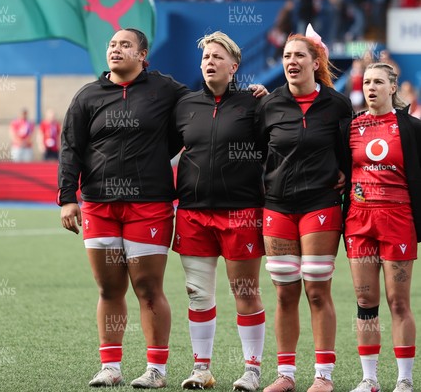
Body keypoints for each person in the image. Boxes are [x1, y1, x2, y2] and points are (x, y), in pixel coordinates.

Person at [59, 28, 190, 388]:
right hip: (99, 205)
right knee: (108, 289)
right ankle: (111, 366)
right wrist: (68, 197)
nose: (116, 50)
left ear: (143, 55)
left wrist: (249, 94)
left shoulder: (165, 90)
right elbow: (71, 147)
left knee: (148, 288)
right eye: (112, 45)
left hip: (149, 204)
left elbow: (204, 105)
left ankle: (156, 370)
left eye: (125, 45)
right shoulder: (87, 96)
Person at [256, 25, 352, 392]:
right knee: (284, 292)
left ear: (316, 62)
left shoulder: (337, 104)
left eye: (299, 55)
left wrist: (343, 171)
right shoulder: (269, 105)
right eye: (286, 57)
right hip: (277, 207)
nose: (291, 62)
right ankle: (286, 375)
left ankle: (323, 377)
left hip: (320, 205)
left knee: (316, 289)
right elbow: (255, 152)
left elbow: (348, 152)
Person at [172, 32, 266, 392]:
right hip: (194, 213)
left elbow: (276, 146)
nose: (209, 61)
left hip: (241, 212)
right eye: (206, 56)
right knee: (197, 293)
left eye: (217, 57)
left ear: (234, 66)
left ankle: (252, 370)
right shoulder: (185, 106)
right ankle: (201, 369)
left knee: (245, 291)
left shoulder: (254, 104)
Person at [342, 63, 421, 392]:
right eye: (367, 81)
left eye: (378, 82)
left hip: (398, 219)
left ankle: (404, 378)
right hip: (359, 221)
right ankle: (369, 379)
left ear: (393, 88)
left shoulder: (412, 128)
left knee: (398, 302)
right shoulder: (351, 127)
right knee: (365, 302)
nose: (371, 87)